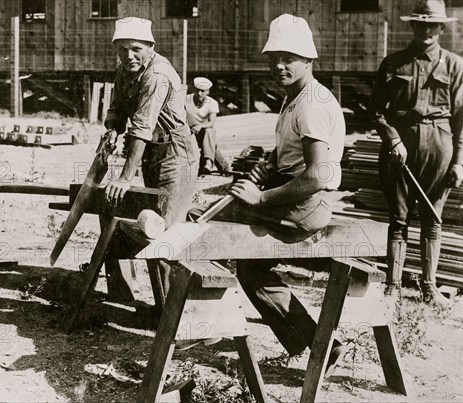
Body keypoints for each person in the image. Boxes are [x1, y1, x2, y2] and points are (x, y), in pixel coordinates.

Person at [187, 14, 347, 375]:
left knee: (204, 220)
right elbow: (288, 153)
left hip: (305, 203)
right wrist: (266, 168)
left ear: (308, 59)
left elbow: (319, 174)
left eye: (288, 57)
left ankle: (197, 327)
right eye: (274, 57)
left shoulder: (310, 104)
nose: (279, 65)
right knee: (251, 268)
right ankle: (319, 341)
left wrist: (260, 198)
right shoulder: (297, 97)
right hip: (294, 194)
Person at [369, 0, 463, 307]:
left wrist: (459, 161)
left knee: (433, 217)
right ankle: (393, 286)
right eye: (421, 24)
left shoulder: (454, 64)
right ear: (412, 26)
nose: (426, 30)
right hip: (400, 146)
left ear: (441, 28)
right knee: (398, 218)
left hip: (440, 146)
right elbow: (375, 110)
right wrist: (393, 140)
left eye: (433, 25)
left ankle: (429, 287)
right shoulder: (393, 63)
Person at [103, 17, 199, 298]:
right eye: (122, 49)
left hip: (176, 153)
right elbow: (118, 108)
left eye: (135, 49)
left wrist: (124, 178)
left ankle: (179, 322)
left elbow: (142, 127)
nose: (128, 56)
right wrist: (112, 128)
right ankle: (162, 311)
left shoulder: (157, 75)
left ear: (150, 47)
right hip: (153, 152)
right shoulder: (125, 69)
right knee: (150, 225)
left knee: (166, 232)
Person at [186, 77, 229, 174]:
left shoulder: (212, 103)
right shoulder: (186, 99)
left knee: (210, 131)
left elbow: (211, 123)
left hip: (202, 135)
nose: (199, 93)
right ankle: (223, 166)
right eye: (197, 90)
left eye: (202, 91)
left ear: (208, 92)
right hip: (188, 132)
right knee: (212, 143)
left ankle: (208, 162)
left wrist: (200, 126)